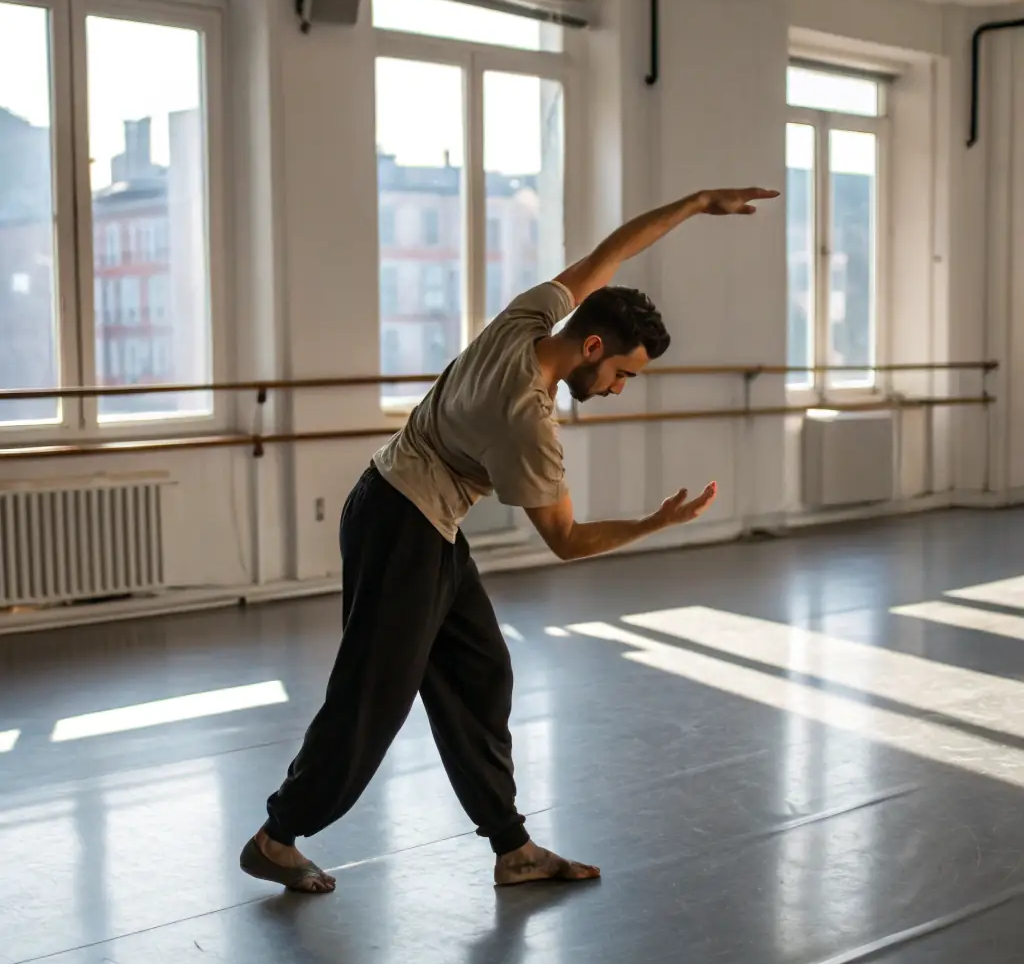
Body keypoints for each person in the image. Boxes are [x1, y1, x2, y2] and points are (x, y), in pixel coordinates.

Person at [241, 184, 778, 893]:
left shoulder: (528, 317)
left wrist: (698, 203)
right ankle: (277, 837)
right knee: (370, 700)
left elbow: (611, 253)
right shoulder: (528, 418)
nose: (619, 388)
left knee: (481, 672)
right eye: (622, 373)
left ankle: (513, 848)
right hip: (402, 525)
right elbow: (567, 539)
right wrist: (655, 522)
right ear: (593, 347)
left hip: (414, 516)